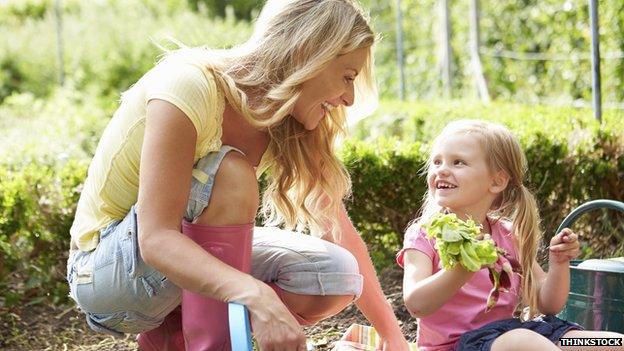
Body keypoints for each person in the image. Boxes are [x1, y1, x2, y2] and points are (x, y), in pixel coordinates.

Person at [65, 1, 410, 350]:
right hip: (106, 274)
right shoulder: (190, 86)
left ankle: (174, 338)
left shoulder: (287, 119)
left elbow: (337, 229)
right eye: (347, 77)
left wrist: (396, 340)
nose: (350, 98)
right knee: (231, 175)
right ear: (309, 54)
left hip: (165, 266)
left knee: (336, 272)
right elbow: (155, 239)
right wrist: (254, 294)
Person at [398, 120, 624, 351]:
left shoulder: (507, 234)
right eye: (437, 161)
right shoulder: (424, 235)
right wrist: (464, 267)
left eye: (458, 162)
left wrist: (559, 263)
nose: (441, 169)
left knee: (612, 342)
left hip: (507, 335)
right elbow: (416, 304)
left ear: (497, 181)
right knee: (522, 340)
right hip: (456, 346)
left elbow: (547, 304)